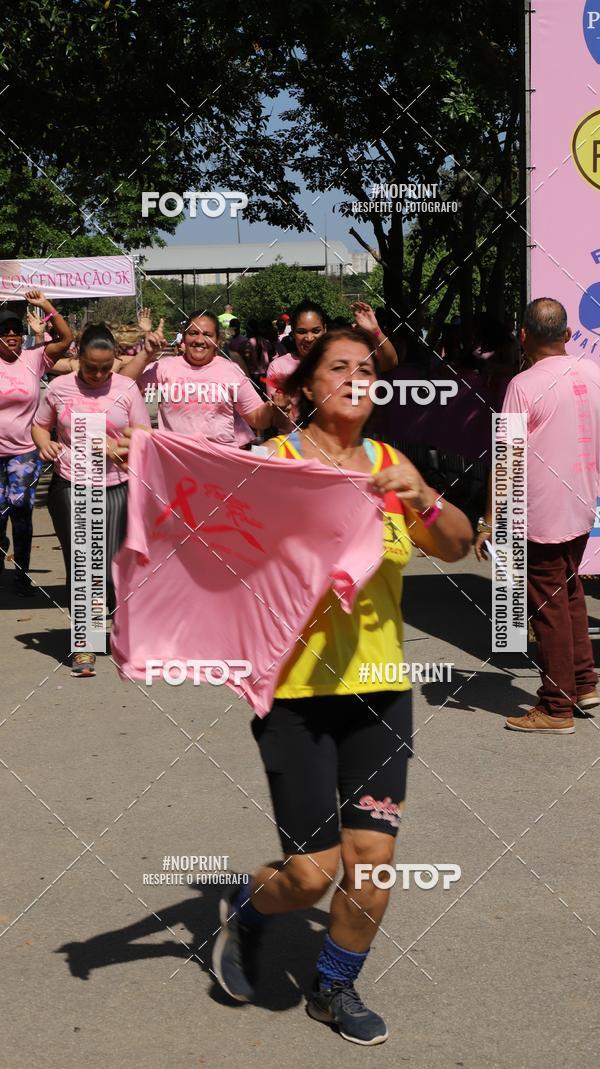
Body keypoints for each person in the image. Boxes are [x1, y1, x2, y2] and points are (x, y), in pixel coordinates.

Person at [211, 326, 471, 1044]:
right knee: (310, 876)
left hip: (380, 694)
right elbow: (205, 533)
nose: (357, 377)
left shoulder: (390, 463)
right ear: (307, 386)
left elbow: (458, 544)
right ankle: (252, 909)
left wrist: (422, 497)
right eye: (339, 367)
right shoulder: (274, 462)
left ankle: (333, 986)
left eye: (366, 368)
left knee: (373, 862)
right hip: (294, 697)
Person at [474, 298, 600, 734]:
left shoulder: (523, 385)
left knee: (548, 606)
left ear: (523, 336)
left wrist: (488, 521)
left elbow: (505, 458)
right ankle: (583, 682)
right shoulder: (592, 371)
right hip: (581, 504)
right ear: (567, 335)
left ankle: (556, 706)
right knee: (569, 593)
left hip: (542, 514)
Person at [32, 323, 151, 675]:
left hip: (117, 486)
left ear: (115, 360)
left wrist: (122, 448)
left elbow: (144, 435)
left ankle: (109, 621)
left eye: (105, 368)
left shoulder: (126, 388)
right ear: (78, 357)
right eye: (90, 368)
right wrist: (45, 444)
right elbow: (40, 425)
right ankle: (85, 642)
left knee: (111, 570)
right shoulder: (59, 388)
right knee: (83, 564)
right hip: (70, 485)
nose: (98, 375)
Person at [0, 290, 73, 596]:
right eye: (5, 331)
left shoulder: (33, 358)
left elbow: (66, 338)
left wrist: (45, 305)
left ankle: (22, 573)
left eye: (16, 330)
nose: (12, 335)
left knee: (20, 512)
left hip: (24, 453)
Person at [138, 310, 286, 444]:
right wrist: (146, 352)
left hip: (222, 460)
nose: (199, 340)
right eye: (193, 333)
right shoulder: (164, 367)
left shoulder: (231, 371)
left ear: (217, 340)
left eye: (207, 335)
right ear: (184, 337)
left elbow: (257, 419)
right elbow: (127, 387)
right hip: (175, 459)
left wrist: (273, 407)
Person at [267, 300, 400, 431]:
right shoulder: (278, 367)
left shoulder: (344, 358)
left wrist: (375, 331)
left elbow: (390, 362)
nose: (309, 338)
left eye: (316, 331)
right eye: (302, 332)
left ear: (325, 329)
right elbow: (279, 424)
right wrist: (281, 411)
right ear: (293, 333)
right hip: (295, 443)